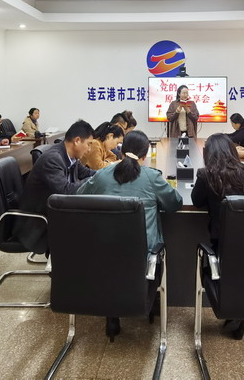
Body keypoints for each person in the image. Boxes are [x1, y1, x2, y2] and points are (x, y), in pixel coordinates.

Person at [77, 130, 182, 340]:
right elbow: (175, 203)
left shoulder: (102, 175)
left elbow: (80, 197)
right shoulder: (151, 176)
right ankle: (151, 303)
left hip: (105, 250)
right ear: (145, 155)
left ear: (121, 151)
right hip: (145, 254)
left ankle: (112, 316)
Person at [191, 133, 244, 340]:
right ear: (232, 151)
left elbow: (196, 201)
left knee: (219, 266)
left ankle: (231, 309)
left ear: (207, 154)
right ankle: (238, 313)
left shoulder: (206, 175)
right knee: (241, 265)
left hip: (223, 247)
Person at [16, 120, 96, 254]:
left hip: (57, 212)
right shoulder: (53, 159)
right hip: (38, 223)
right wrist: (94, 181)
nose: (89, 149)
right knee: (94, 224)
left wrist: (107, 174)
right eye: (88, 144)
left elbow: (86, 173)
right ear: (77, 141)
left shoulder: (70, 156)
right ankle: (69, 263)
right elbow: (65, 191)